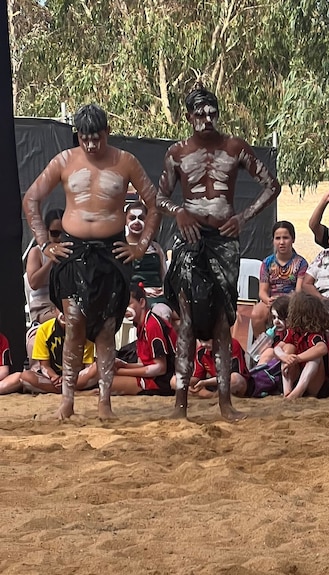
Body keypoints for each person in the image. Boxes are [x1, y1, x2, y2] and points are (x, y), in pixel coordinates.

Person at [23, 103, 161, 420]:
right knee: (73, 324)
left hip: (111, 252)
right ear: (78, 136)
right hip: (74, 251)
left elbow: (153, 202)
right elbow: (31, 198)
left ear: (106, 133)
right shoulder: (65, 160)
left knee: (106, 329)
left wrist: (139, 247)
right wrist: (45, 242)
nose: (91, 145)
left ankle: (104, 403)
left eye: (97, 138)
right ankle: (67, 402)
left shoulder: (125, 161)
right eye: (85, 138)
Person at [156, 84, 280, 421]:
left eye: (212, 113)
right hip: (190, 238)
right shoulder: (177, 153)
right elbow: (158, 196)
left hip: (224, 240)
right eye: (200, 114)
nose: (207, 120)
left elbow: (272, 185)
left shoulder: (234, 148)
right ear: (189, 117)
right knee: (185, 317)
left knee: (225, 318)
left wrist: (243, 216)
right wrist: (179, 212)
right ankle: (180, 404)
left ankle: (225, 402)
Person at [111, 283, 177, 396]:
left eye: (129, 304)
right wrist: (124, 365)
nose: (125, 309)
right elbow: (145, 363)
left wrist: (122, 371)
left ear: (142, 303)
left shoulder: (152, 325)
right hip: (152, 377)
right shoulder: (141, 325)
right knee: (100, 368)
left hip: (160, 382)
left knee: (104, 380)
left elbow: (160, 368)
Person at [273, 291, 329, 400]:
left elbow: (322, 348)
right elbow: (276, 348)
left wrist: (298, 359)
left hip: (318, 385)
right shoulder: (293, 331)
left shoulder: (315, 333)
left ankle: (296, 393)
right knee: (288, 348)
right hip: (297, 375)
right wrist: (285, 357)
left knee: (315, 357)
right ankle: (287, 391)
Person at [18, 308, 97, 394]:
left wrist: (68, 378)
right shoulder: (44, 330)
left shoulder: (84, 331)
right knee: (26, 376)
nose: (63, 313)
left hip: (76, 378)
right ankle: (76, 392)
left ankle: (65, 389)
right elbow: (44, 366)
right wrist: (54, 376)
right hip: (54, 380)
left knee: (98, 367)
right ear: (54, 311)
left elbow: (86, 367)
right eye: (60, 309)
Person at [251, 220, 308, 338]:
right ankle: (263, 349)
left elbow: (299, 291)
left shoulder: (301, 263)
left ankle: (290, 345)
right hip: (271, 300)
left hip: (292, 301)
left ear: (293, 239)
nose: (282, 242)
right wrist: (268, 300)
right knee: (256, 313)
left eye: (286, 237)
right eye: (277, 238)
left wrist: (286, 301)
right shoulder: (267, 263)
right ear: (273, 240)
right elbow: (262, 291)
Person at [125, 200, 172, 322]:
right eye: (132, 218)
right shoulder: (121, 247)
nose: (136, 222)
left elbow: (165, 277)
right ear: (125, 220)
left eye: (141, 218)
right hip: (130, 299)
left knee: (163, 315)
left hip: (158, 299)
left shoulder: (156, 248)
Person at [25, 208, 64, 325]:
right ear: (46, 232)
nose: (60, 238)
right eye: (55, 233)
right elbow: (33, 283)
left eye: (64, 233)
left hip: (65, 304)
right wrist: (51, 260)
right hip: (43, 307)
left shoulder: (69, 251)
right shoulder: (36, 252)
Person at [176, 338, 251, 399]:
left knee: (235, 380)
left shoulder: (232, 345)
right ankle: (212, 396)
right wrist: (185, 381)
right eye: (201, 340)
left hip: (235, 384)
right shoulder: (201, 351)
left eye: (208, 340)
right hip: (214, 385)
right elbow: (197, 377)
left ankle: (211, 396)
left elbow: (233, 376)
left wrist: (205, 382)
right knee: (176, 382)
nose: (204, 344)